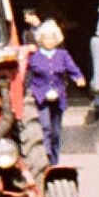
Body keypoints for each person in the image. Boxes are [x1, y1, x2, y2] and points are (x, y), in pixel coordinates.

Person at [23, 19, 84, 166]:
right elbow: (27, 73)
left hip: (58, 96)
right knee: (45, 127)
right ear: (41, 39)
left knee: (56, 132)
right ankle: (45, 157)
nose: (49, 41)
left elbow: (72, 68)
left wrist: (78, 77)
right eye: (46, 38)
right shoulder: (35, 56)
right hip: (41, 95)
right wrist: (25, 89)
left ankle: (55, 161)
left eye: (52, 38)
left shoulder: (62, 55)